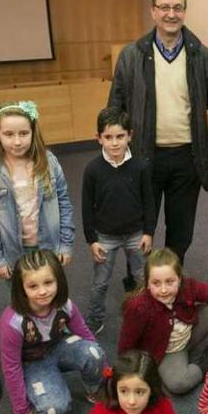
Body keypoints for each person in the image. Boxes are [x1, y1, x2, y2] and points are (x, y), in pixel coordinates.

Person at [108, 0, 208, 271]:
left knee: (181, 229)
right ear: (153, 10)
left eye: (178, 7)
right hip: (143, 156)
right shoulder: (131, 56)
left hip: (187, 158)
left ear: (185, 11)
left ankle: (171, 278)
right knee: (139, 225)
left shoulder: (202, 56)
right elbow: (115, 108)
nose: (171, 13)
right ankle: (139, 278)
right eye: (165, 7)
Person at [0, 250, 106, 414]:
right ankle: (45, 382)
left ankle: (94, 390)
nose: (43, 292)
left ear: (58, 281)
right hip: (32, 362)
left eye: (48, 282)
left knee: (94, 352)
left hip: (58, 347)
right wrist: (21, 408)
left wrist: (104, 369)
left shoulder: (65, 305)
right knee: (53, 410)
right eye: (33, 286)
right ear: (22, 289)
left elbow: (84, 334)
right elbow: (11, 367)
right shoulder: (13, 322)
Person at [118, 248, 208, 394]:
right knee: (178, 384)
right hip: (167, 351)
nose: (164, 290)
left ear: (179, 279)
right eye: (156, 283)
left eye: (170, 282)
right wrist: (129, 373)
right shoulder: (138, 307)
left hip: (190, 332)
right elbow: (126, 344)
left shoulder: (188, 286)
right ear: (147, 284)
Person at [0, 100, 75, 281]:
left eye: (24, 133)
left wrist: (65, 244)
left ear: (33, 132)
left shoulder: (49, 162)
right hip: (14, 252)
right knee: (21, 300)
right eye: (8, 134)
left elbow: (64, 203)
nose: (17, 141)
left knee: (50, 295)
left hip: (49, 247)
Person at [82, 107, 156, 335]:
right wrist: (91, 240)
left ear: (130, 136)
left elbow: (149, 202)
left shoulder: (140, 166)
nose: (114, 143)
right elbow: (86, 207)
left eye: (120, 137)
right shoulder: (93, 169)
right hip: (105, 237)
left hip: (136, 234)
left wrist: (148, 232)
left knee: (141, 278)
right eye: (108, 137)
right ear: (99, 138)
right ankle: (95, 320)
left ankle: (146, 317)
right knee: (100, 283)